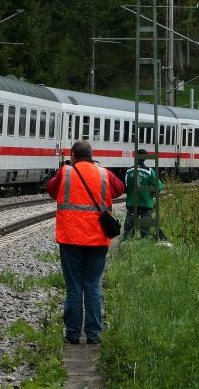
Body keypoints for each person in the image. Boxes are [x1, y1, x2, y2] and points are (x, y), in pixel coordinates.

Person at [47, 140, 125, 345]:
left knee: (74, 287)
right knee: (92, 285)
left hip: (70, 239)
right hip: (98, 240)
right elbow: (119, 189)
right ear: (92, 156)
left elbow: (51, 190)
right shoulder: (104, 174)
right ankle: (93, 334)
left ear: (72, 156)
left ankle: (72, 333)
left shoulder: (65, 172)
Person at [123, 149, 163, 239]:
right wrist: (150, 192)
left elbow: (125, 187)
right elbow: (159, 187)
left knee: (128, 232)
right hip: (146, 204)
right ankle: (143, 245)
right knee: (145, 232)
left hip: (132, 204)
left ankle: (126, 246)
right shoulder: (149, 171)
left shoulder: (129, 171)